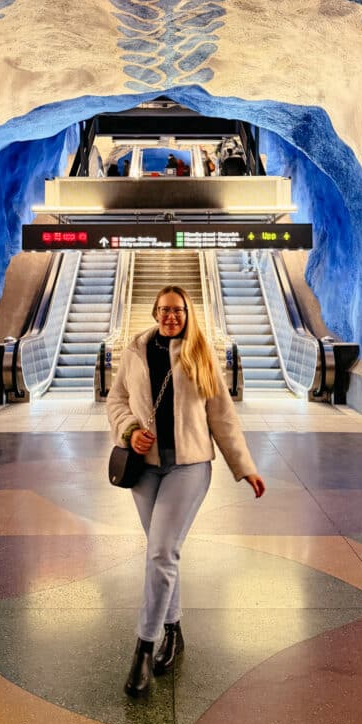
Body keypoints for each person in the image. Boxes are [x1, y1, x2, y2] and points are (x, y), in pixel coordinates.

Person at [107, 285, 265, 698]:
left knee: (161, 552)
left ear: (188, 313)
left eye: (177, 310)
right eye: (163, 310)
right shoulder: (135, 351)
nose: (170, 317)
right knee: (163, 552)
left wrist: (244, 467)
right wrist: (129, 430)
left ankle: (143, 647)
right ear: (154, 312)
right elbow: (117, 399)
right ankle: (174, 630)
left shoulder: (201, 354)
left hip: (190, 467)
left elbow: (222, 416)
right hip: (145, 470)